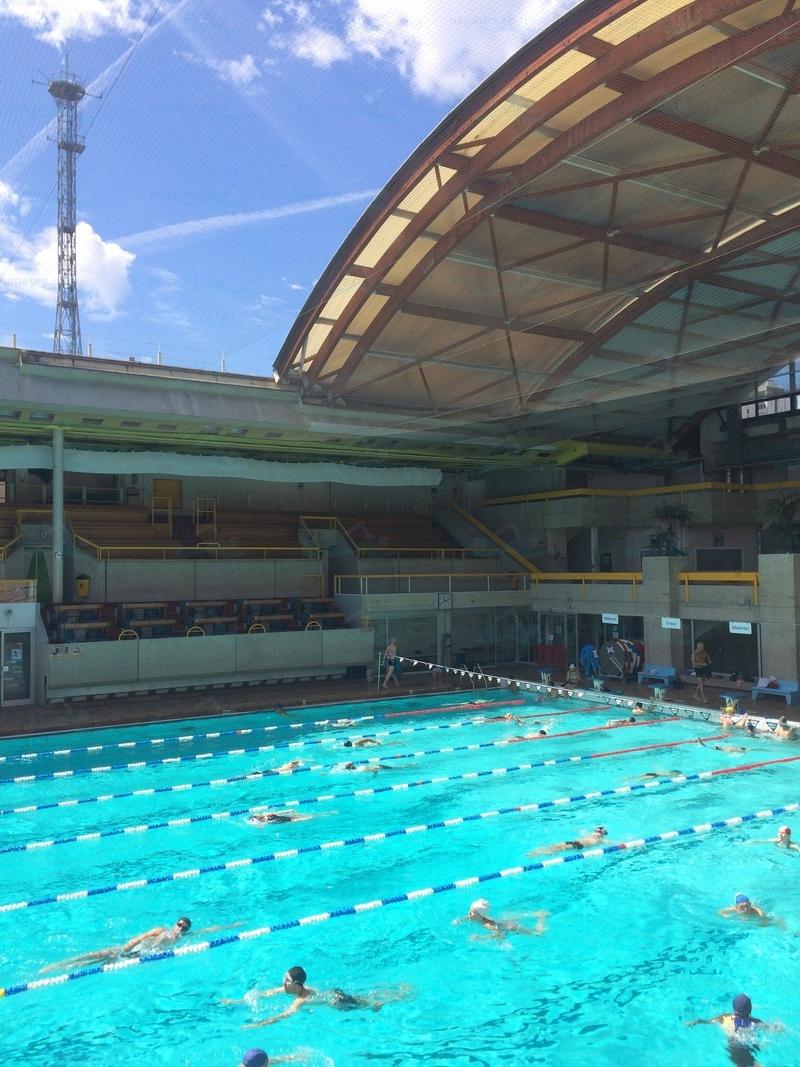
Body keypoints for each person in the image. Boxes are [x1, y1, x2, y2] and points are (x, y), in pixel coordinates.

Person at [234, 966, 399, 1027]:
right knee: (365, 999)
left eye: (287, 980)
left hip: (339, 1003)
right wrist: (238, 1001)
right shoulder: (293, 989)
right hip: (334, 994)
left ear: (297, 984)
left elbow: (285, 1015)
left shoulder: (301, 999)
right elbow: (269, 992)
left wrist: (261, 1023)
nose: (284, 982)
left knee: (371, 1004)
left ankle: (396, 996)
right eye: (284, 978)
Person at [41, 917, 192, 973]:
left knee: (92, 965)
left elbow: (204, 931)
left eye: (184, 928)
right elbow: (141, 937)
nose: (180, 928)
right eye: (179, 925)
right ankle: (55, 966)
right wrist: (125, 948)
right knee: (91, 956)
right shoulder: (162, 930)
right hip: (128, 950)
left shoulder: (178, 939)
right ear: (175, 923)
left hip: (134, 957)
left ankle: (63, 971)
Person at [688, 993, 781, 1067]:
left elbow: (708, 1021)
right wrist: (778, 1027)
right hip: (747, 1047)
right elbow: (771, 1027)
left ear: (733, 1008)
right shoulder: (755, 1022)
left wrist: (696, 1021)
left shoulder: (724, 1017)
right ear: (750, 1009)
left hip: (731, 1048)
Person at [453, 898, 549, 939]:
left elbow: (499, 935)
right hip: (504, 922)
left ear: (480, 915)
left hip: (513, 927)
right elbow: (467, 917)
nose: (469, 913)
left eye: (472, 912)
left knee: (538, 934)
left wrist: (480, 938)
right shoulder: (475, 917)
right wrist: (459, 920)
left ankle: (542, 916)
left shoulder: (488, 925)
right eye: (470, 910)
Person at [528, 826, 609, 855]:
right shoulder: (589, 835)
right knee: (556, 845)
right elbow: (582, 831)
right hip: (574, 842)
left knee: (560, 849)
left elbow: (611, 843)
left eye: (599, 832)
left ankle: (539, 853)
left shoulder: (601, 841)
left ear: (603, 835)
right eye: (596, 831)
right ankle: (538, 851)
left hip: (578, 846)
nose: (597, 833)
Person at [248, 810, 313, 825]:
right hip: (288, 819)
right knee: (295, 819)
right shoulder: (267, 821)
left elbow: (279, 812)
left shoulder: (266, 815)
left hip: (286, 817)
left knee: (294, 818)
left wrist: (288, 811)